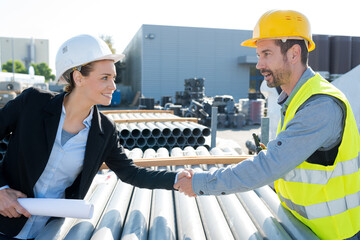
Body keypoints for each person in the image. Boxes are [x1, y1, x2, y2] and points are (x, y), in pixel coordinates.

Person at [175, 10, 360, 240]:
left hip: (335, 234)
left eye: (266, 54)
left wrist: (201, 183)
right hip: (303, 227)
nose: (259, 64)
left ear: (293, 53)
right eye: (258, 55)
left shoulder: (320, 105)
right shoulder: (296, 98)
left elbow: (268, 166)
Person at [0, 34, 191, 240]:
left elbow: (130, 173)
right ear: (78, 77)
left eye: (113, 78)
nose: (113, 86)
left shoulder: (104, 130)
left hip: (47, 231)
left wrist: (174, 179)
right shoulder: (33, 103)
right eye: (104, 78)